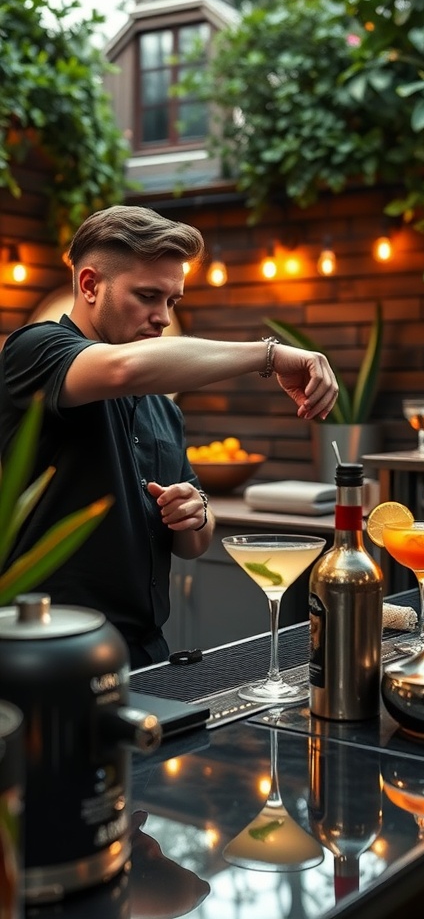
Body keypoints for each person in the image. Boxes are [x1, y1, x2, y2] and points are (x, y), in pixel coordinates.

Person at [0, 205, 338, 668]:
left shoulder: (162, 408)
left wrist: (195, 514)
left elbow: (194, 543)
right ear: (90, 285)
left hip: (146, 650)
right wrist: (270, 356)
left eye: (172, 301)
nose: (162, 317)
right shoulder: (33, 350)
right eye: (147, 296)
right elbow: (121, 369)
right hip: (51, 647)